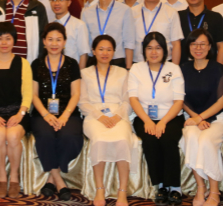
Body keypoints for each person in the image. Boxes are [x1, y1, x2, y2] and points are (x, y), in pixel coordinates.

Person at [79, 35, 137, 206]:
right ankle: (100, 189)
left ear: (114, 52)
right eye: (101, 49)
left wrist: (117, 116)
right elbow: (83, 102)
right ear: (93, 51)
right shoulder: (84, 73)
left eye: (109, 49)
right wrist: (100, 117)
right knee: (99, 139)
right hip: (94, 116)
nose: (105, 53)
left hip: (119, 115)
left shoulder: (123, 73)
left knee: (123, 140)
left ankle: (122, 191)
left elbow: (128, 100)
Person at [129, 32, 186, 206]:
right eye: (149, 48)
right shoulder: (136, 69)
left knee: (168, 139)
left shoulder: (173, 69)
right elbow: (133, 99)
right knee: (150, 140)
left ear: (165, 50)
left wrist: (163, 122)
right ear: (144, 51)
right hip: (143, 117)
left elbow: (179, 101)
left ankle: (175, 187)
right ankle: (160, 186)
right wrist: (147, 121)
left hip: (171, 117)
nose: (154, 52)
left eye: (158, 48)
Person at [180, 28, 223, 206]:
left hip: (216, 118)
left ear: (210, 46)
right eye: (194, 44)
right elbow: (180, 99)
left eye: (203, 44)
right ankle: (201, 188)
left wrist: (201, 118)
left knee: (205, 141)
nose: (198, 48)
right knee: (191, 137)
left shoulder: (219, 69)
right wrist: (196, 118)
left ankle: (215, 191)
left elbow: (221, 101)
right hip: (192, 117)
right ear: (189, 46)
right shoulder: (183, 69)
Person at [30, 23, 83, 201]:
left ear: (64, 42)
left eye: (58, 39)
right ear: (44, 42)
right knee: (46, 136)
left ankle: (51, 179)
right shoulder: (36, 64)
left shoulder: (72, 64)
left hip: (68, 113)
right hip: (42, 114)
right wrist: (46, 115)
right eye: (50, 39)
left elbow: (76, 94)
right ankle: (60, 181)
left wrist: (65, 115)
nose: (54, 43)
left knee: (70, 137)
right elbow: (33, 95)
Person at [0, 22, 33, 198]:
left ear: (14, 40)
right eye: (0, 38)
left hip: (18, 113)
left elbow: (28, 94)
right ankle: (2, 177)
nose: (4, 43)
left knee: (12, 135)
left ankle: (15, 177)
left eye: (8, 38)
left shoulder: (23, 63)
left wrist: (20, 114)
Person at [81, 0, 136, 68]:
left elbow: (129, 43)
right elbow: (84, 44)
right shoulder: (86, 12)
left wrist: (128, 69)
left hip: (117, 61)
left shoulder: (125, 10)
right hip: (94, 62)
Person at [131, 0, 184, 65]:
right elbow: (128, 43)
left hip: (164, 63)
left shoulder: (171, 12)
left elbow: (176, 44)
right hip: (138, 63)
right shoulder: (132, 12)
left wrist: (174, 69)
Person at [179, 0, 223, 65]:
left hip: (209, 69)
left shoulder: (216, 17)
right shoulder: (177, 17)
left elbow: (221, 47)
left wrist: (219, 69)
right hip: (182, 68)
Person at [50, 0, 90, 66]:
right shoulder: (49, 25)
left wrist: (80, 73)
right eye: (53, 0)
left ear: (69, 3)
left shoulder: (79, 25)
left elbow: (83, 54)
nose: (56, 3)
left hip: (72, 71)